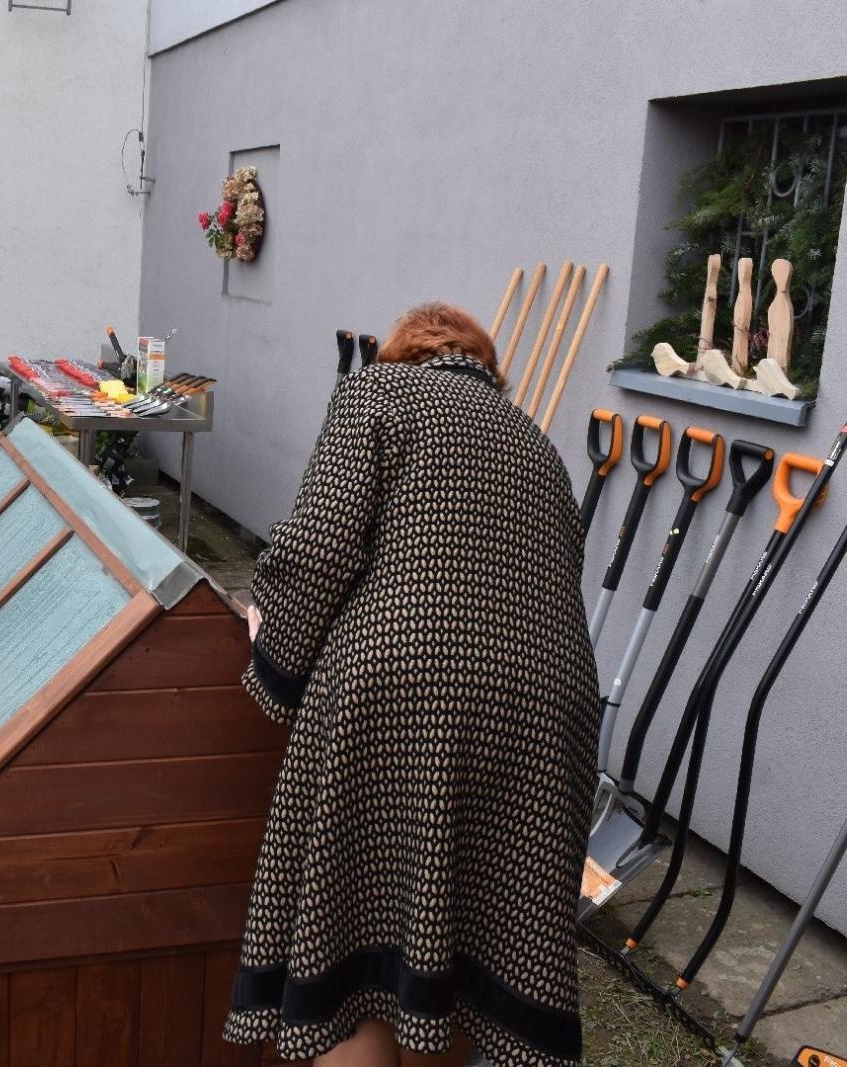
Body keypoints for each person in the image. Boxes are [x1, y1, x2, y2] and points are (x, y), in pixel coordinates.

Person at [223, 302, 599, 1067]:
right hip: (546, 721)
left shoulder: (376, 394)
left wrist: (271, 642)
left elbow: (319, 547)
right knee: (446, 959)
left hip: (403, 694)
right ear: (488, 370)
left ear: (404, 354)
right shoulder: (539, 445)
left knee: (353, 956)